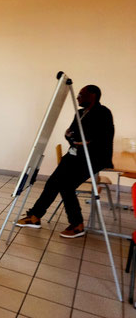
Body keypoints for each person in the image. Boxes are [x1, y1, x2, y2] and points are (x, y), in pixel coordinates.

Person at [16, 85, 114, 238]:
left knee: (67, 186)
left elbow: (102, 138)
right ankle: (35, 216)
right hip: (74, 155)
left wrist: (83, 142)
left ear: (93, 95)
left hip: (93, 158)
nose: (78, 97)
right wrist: (72, 138)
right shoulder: (80, 113)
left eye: (81, 94)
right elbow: (71, 133)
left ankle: (77, 225)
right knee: (52, 182)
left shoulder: (103, 113)